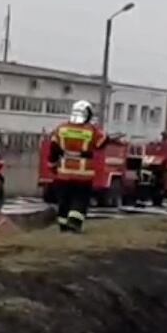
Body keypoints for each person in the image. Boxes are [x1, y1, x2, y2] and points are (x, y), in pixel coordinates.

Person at [49, 100, 107, 233]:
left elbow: (53, 149)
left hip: (63, 173)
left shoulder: (61, 128)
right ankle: (74, 224)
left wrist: (52, 166)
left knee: (64, 201)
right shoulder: (91, 130)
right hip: (83, 175)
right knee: (80, 200)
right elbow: (101, 143)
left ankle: (63, 226)